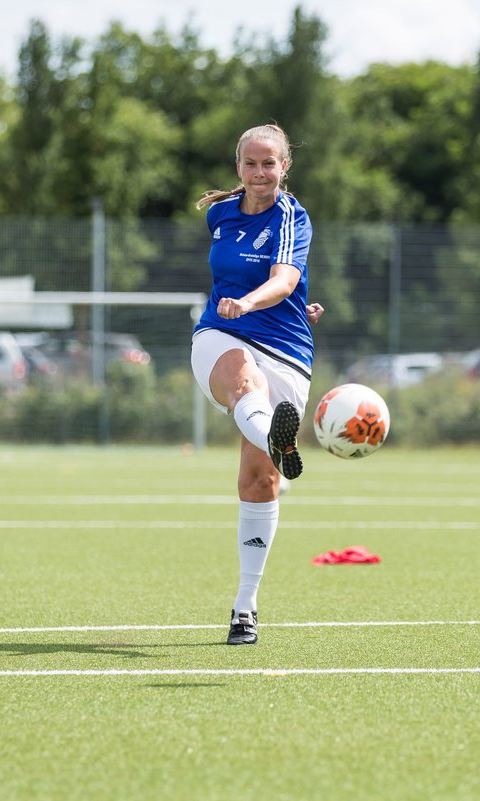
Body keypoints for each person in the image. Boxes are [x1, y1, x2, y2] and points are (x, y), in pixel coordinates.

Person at [191, 123, 324, 644]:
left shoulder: (291, 215)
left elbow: (286, 279)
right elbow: (232, 278)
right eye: (251, 163)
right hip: (220, 335)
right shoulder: (219, 215)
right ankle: (274, 432)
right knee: (241, 378)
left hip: (286, 349)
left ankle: (244, 607)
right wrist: (238, 309)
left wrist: (262, 302)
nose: (260, 172)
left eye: (270, 163)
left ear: (285, 166)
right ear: (238, 167)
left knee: (259, 481)